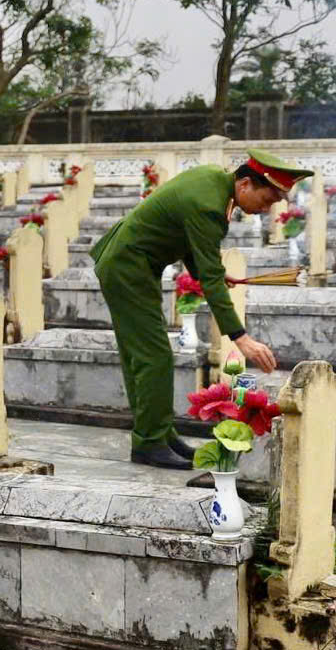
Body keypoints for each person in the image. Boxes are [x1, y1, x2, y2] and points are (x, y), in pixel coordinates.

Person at [90, 151, 309, 469]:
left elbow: (190, 244)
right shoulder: (209, 206)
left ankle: (158, 434)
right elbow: (209, 277)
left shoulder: (216, 182)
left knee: (143, 356)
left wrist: (213, 273)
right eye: (266, 199)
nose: (267, 209)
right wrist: (241, 338)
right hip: (128, 267)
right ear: (245, 184)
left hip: (130, 263)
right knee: (153, 357)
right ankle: (149, 442)